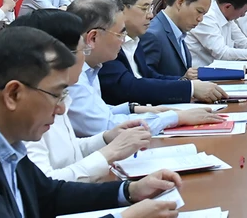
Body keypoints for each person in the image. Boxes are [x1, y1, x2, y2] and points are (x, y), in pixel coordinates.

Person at [0, 26, 185, 217]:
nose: (60, 109)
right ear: (13, 94)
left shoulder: (0, 136)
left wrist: (130, 190)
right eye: (56, 94)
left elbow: (47, 195)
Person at [16, 10, 151, 183]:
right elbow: (45, 185)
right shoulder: (31, 104)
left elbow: (68, 152)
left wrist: (106, 138)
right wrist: (110, 153)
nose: (86, 55)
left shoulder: (58, 92)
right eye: (83, 49)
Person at [66, 0, 222, 137]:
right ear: (93, 37)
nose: (123, 39)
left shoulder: (92, 68)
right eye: (120, 34)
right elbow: (107, 127)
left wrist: (139, 109)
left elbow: (103, 112)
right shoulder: (72, 77)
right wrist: (176, 117)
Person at [97, 0, 226, 106]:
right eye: (144, 8)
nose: (150, 15)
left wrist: (186, 82)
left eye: (150, 8)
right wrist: (190, 88)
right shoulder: (106, 45)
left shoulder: (134, 40)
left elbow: (148, 76)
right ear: (120, 9)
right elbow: (128, 87)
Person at [138, 0, 210, 81]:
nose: (200, 19)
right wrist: (182, 80)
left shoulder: (178, 31)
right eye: (199, 11)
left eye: (204, 14)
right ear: (180, 2)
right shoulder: (152, 34)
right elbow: (145, 81)